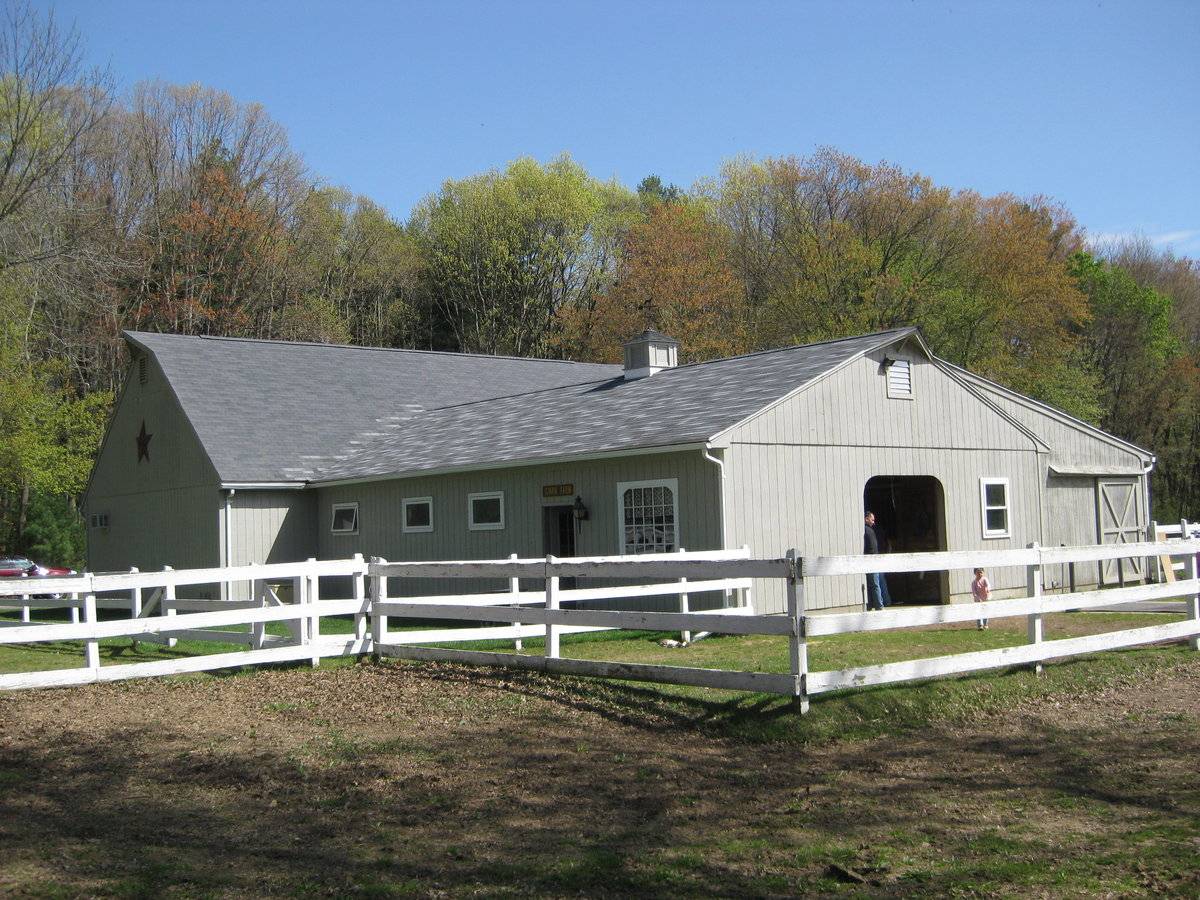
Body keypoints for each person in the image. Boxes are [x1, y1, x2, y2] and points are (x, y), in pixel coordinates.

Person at [864, 511, 891, 610]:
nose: (873, 522)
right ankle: (880, 604)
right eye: (872, 519)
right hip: (873, 560)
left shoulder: (870, 530)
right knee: (876, 583)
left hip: (874, 560)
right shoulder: (868, 530)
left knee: (875, 582)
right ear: (866, 519)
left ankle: (879, 604)